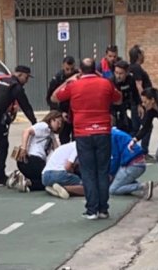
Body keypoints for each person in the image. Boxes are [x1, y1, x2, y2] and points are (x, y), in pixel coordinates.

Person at [51, 58, 122, 220]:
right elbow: (119, 99)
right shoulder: (105, 83)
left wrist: (69, 80)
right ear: (95, 69)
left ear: (80, 71)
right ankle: (103, 209)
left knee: (88, 172)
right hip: (103, 131)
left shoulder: (74, 85)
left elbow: (55, 97)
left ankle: (92, 210)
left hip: (83, 133)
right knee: (102, 171)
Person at [7, 110, 62, 192]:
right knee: (48, 180)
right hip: (33, 159)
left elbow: (57, 150)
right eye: (58, 122)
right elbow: (26, 131)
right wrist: (24, 148)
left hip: (31, 162)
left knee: (46, 179)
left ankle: (23, 178)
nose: (60, 125)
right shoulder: (44, 126)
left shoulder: (50, 134)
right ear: (52, 119)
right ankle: (28, 182)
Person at [109, 126, 152, 199]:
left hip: (133, 165)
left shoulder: (111, 136)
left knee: (113, 189)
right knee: (120, 180)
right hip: (138, 163)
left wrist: (111, 174)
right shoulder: (116, 133)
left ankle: (142, 186)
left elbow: (115, 157)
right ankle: (139, 186)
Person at [129, 45, 154, 162]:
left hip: (135, 103)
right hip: (140, 104)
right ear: (139, 55)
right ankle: (143, 152)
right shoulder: (137, 68)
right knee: (147, 127)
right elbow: (139, 85)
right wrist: (143, 103)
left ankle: (131, 150)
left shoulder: (131, 68)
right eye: (143, 53)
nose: (144, 56)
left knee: (135, 128)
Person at [46, 56, 78, 144]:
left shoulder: (78, 76)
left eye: (72, 69)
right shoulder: (57, 79)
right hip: (63, 112)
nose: (69, 71)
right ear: (63, 66)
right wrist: (60, 113)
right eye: (67, 69)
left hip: (75, 113)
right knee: (64, 140)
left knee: (77, 140)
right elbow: (50, 99)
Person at [128, 87, 158, 167]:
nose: (143, 104)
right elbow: (146, 127)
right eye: (142, 102)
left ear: (152, 100)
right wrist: (135, 140)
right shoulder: (151, 110)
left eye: (145, 102)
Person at [111, 60, 141, 134]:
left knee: (137, 122)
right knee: (121, 125)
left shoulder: (131, 79)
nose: (118, 76)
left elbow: (135, 94)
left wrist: (139, 105)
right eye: (116, 73)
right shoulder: (111, 82)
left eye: (121, 73)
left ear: (127, 73)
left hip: (128, 102)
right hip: (115, 105)